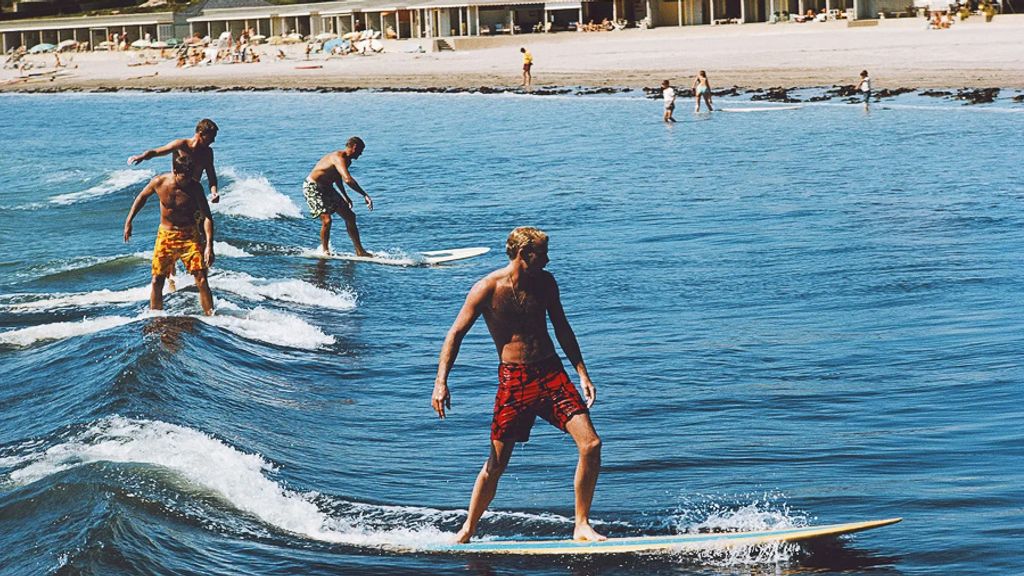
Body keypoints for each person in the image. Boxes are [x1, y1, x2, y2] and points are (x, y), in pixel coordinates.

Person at [432, 226, 604, 544]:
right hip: (514, 381)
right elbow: (455, 335)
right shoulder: (486, 288)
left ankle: (581, 524)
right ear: (524, 254)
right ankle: (468, 529)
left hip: (552, 375)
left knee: (591, 445)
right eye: (543, 254)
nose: (548, 260)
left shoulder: (546, 284)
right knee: (497, 463)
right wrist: (441, 382)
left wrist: (582, 373)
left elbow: (562, 327)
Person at [123, 155, 215, 316]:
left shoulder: (195, 187)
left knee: (201, 278)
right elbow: (141, 197)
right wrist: (129, 221)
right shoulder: (159, 182)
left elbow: (207, 216)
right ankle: (155, 317)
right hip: (166, 236)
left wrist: (209, 245)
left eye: (189, 177)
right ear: (175, 171)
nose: (187, 181)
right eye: (183, 177)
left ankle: (212, 317)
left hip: (189, 236)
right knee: (157, 280)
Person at [303, 136, 373, 256]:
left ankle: (360, 251)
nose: (361, 154)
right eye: (361, 151)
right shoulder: (338, 157)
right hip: (313, 187)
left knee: (350, 217)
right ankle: (325, 252)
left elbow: (337, 177)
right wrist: (364, 195)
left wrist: (345, 196)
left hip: (327, 188)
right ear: (355, 147)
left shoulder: (348, 161)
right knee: (327, 220)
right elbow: (348, 179)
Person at [128, 118, 220, 204]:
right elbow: (157, 152)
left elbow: (211, 177)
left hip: (193, 194)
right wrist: (142, 156)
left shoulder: (208, 153)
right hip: (175, 192)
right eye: (211, 137)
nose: (213, 140)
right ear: (200, 133)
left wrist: (214, 192)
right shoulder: (181, 145)